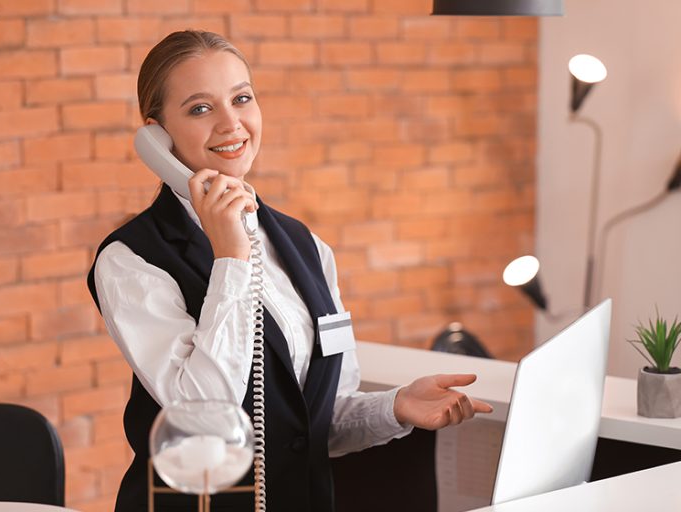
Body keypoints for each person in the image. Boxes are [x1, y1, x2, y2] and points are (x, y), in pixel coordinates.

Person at [87, 30, 492, 512]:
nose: (231, 124)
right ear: (156, 136)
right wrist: (231, 258)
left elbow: (317, 421)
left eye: (241, 99)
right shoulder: (131, 260)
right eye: (200, 108)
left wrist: (396, 405)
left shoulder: (305, 246)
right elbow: (203, 413)